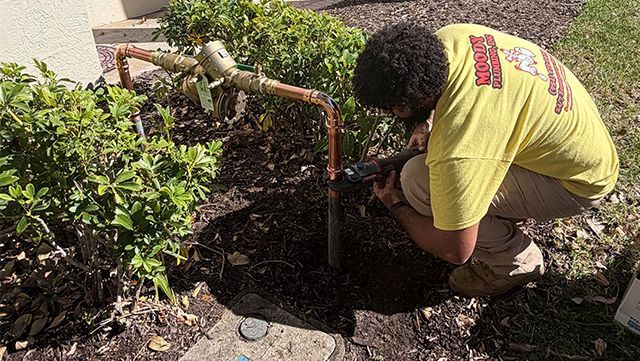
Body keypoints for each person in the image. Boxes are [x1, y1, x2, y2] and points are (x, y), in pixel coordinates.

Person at [352, 23, 619, 297]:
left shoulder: (460, 146)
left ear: (415, 99)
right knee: (436, 172)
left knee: (418, 182)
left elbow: (454, 249)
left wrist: (395, 204)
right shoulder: (451, 39)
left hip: (577, 184)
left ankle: (515, 262)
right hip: (578, 144)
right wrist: (429, 121)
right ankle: (500, 213)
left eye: (396, 109)